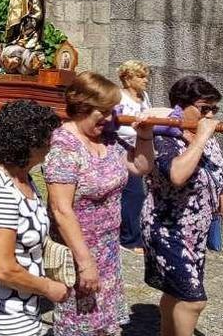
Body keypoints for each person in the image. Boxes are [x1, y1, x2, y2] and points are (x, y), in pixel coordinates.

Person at [44, 71, 154, 336]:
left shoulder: (107, 138)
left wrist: (145, 135)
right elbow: (61, 209)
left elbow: (141, 166)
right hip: (77, 255)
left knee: (104, 326)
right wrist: (85, 263)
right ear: (82, 107)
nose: (109, 118)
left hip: (108, 251)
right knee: (80, 326)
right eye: (103, 112)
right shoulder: (64, 146)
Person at [142, 76, 223, 336]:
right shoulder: (164, 136)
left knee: (176, 291)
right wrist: (200, 139)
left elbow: (219, 183)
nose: (209, 115)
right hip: (167, 228)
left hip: (194, 232)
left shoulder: (208, 139)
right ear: (181, 105)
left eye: (213, 109)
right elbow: (176, 175)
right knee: (193, 299)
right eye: (203, 108)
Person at [0, 100, 69, 335]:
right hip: (3, 312)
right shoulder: (1, 191)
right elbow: (3, 269)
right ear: (28, 143)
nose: (51, 144)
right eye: (47, 139)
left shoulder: (23, 178)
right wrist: (48, 288)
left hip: (21, 305)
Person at [116, 60, 152, 252]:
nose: (146, 80)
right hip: (122, 147)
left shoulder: (144, 96)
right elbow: (117, 123)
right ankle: (129, 239)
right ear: (128, 79)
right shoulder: (119, 97)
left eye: (146, 76)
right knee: (134, 192)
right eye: (141, 76)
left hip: (141, 147)